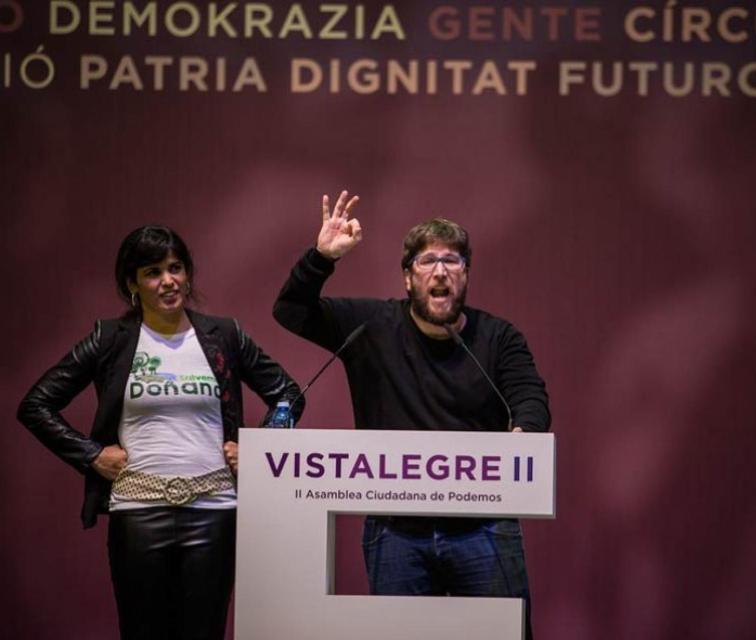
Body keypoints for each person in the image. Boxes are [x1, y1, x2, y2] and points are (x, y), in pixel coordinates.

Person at [272, 190, 550, 639]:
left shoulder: (498, 338)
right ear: (407, 278)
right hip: (396, 531)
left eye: (452, 261)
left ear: (466, 275)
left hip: (483, 527)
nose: (440, 271)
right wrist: (321, 258)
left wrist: (524, 433)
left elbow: (530, 397)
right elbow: (290, 310)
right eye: (426, 261)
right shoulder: (370, 326)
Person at [17, 225, 304, 640]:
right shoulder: (111, 338)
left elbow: (288, 395)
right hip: (138, 514)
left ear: (188, 273)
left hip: (214, 512)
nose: (168, 281)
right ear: (132, 282)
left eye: (176, 268)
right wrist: (91, 454)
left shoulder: (224, 335)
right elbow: (36, 405)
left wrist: (257, 450)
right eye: (153, 271)